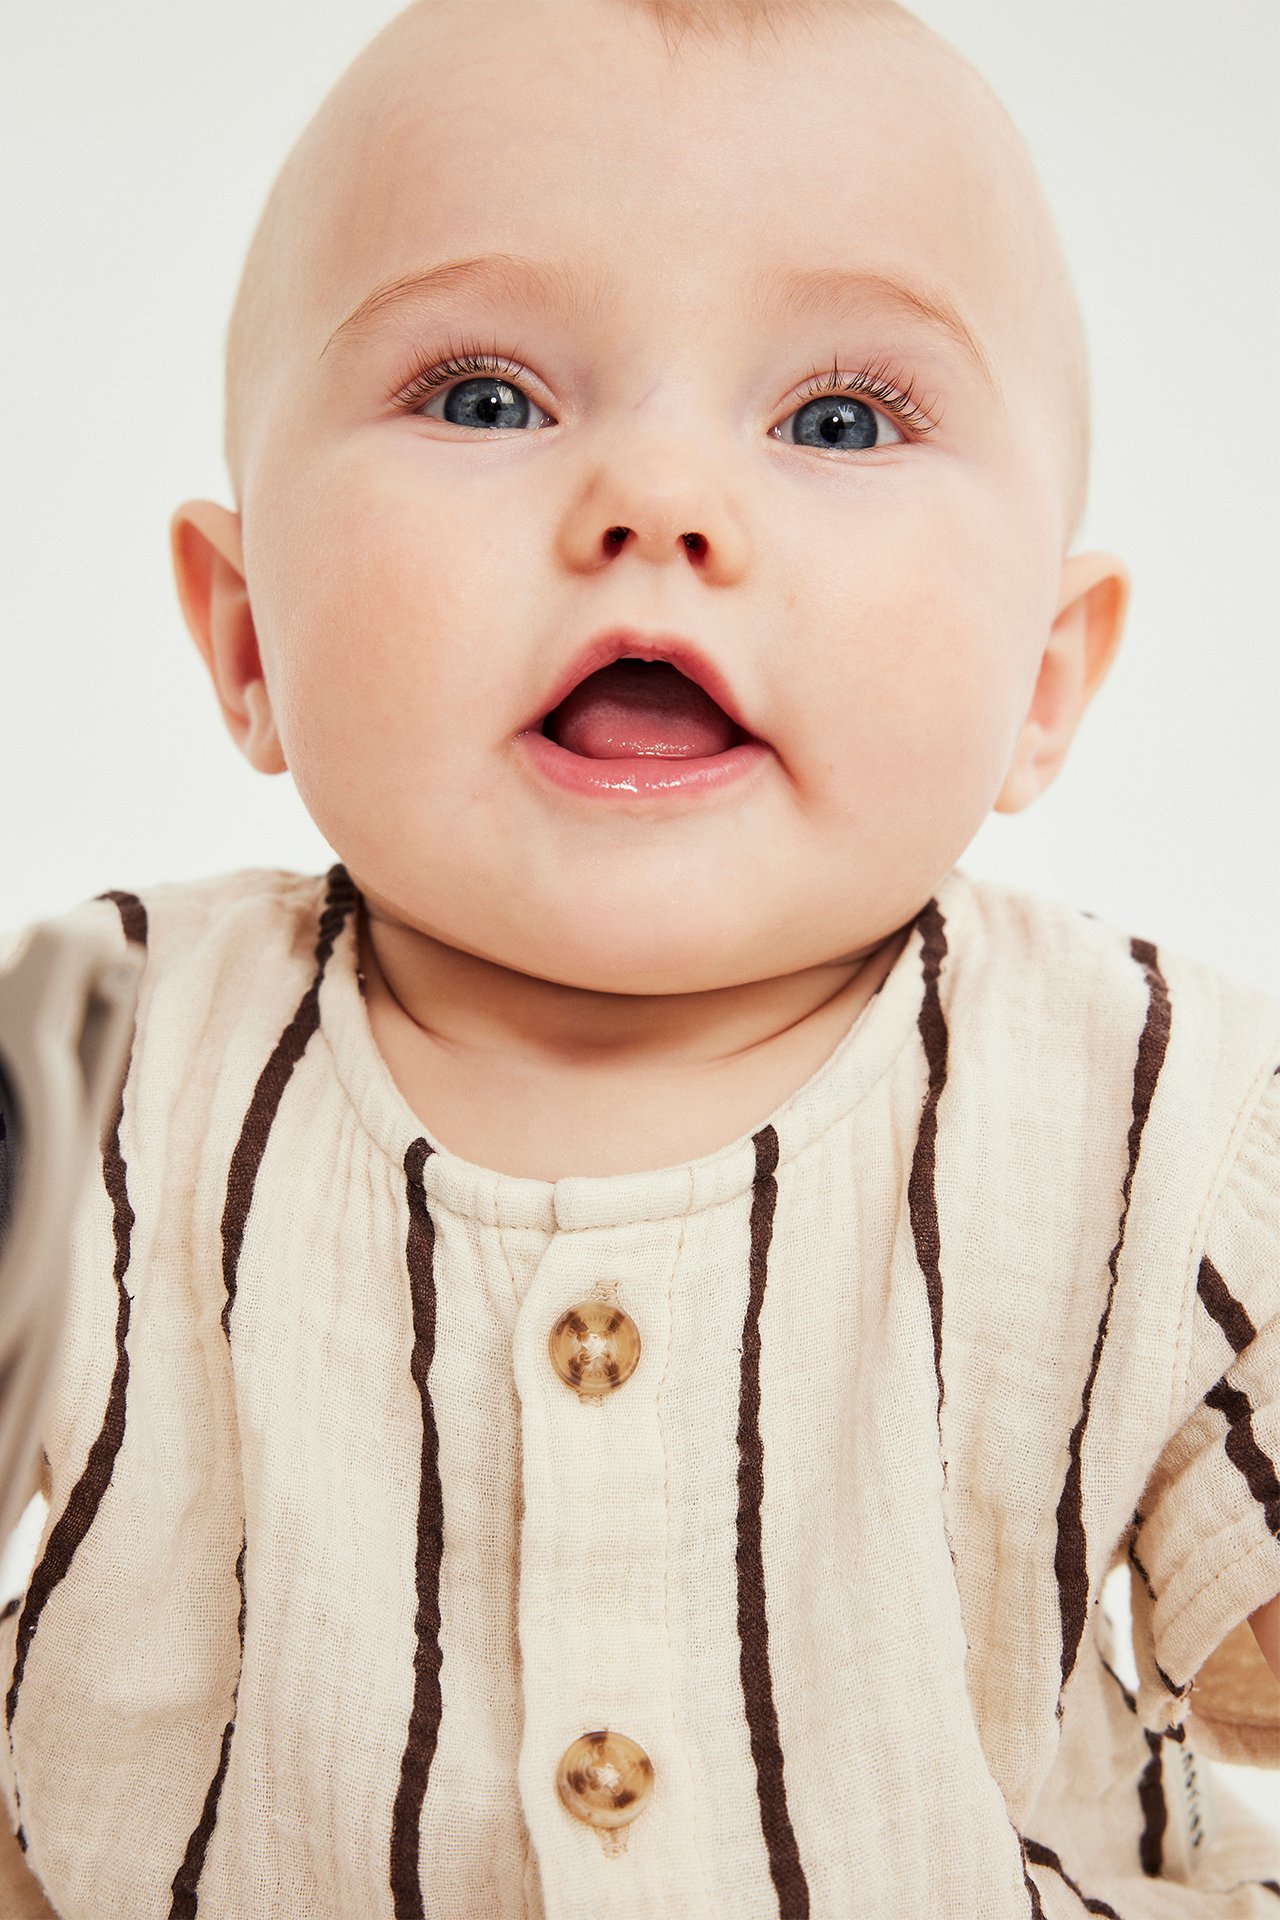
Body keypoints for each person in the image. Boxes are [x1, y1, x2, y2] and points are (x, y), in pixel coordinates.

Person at [1, 0, 1276, 1912]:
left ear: (1043, 683)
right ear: (248, 629)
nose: (658, 506)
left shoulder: (1151, 1103)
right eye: (487, 399)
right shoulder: (97, 1060)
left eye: (838, 420)